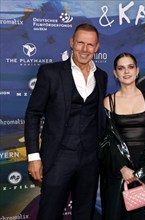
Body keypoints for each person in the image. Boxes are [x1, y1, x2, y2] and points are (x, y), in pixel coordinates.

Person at [24, 23, 108, 220]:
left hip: (90, 159)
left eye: (90, 45)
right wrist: (33, 157)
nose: (84, 49)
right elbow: (33, 114)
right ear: (71, 42)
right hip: (58, 157)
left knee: (84, 214)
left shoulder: (101, 77)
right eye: (80, 43)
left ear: (97, 48)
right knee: (49, 213)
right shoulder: (50, 73)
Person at [99, 52, 145, 220]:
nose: (126, 72)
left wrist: (143, 173)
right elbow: (106, 141)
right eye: (121, 68)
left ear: (137, 71)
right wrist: (123, 168)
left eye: (130, 67)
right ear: (115, 73)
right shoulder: (109, 101)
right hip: (119, 173)